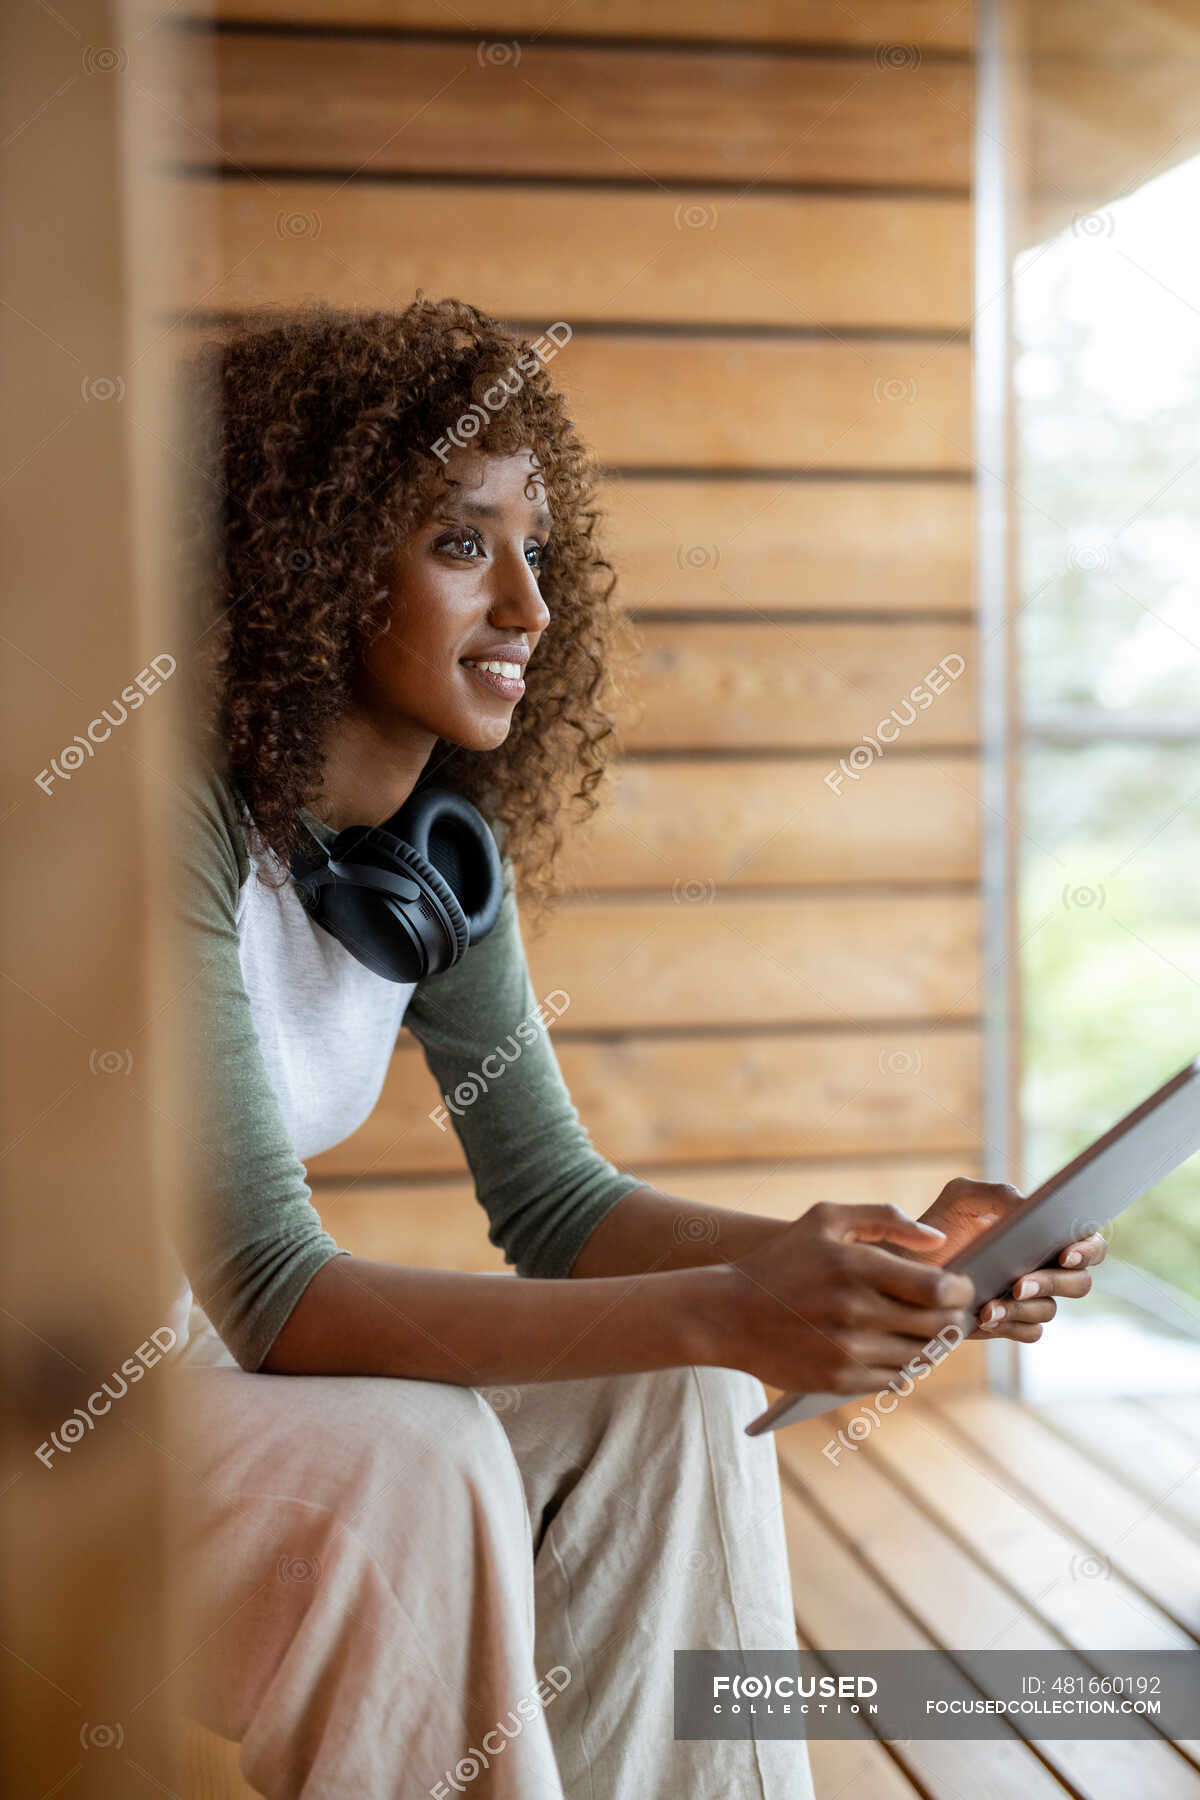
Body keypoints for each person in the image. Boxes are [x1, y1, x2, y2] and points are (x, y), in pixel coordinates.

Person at [163, 296, 1106, 1799]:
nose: (532, 608)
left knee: (676, 1397)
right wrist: (733, 1306)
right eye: (463, 544)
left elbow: (559, 1208)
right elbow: (277, 1298)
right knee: (430, 1465)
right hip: (69, 1411)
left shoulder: (433, 860)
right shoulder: (160, 828)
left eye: (537, 547)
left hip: (226, 1393)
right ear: (314, 563)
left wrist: (888, 1261)